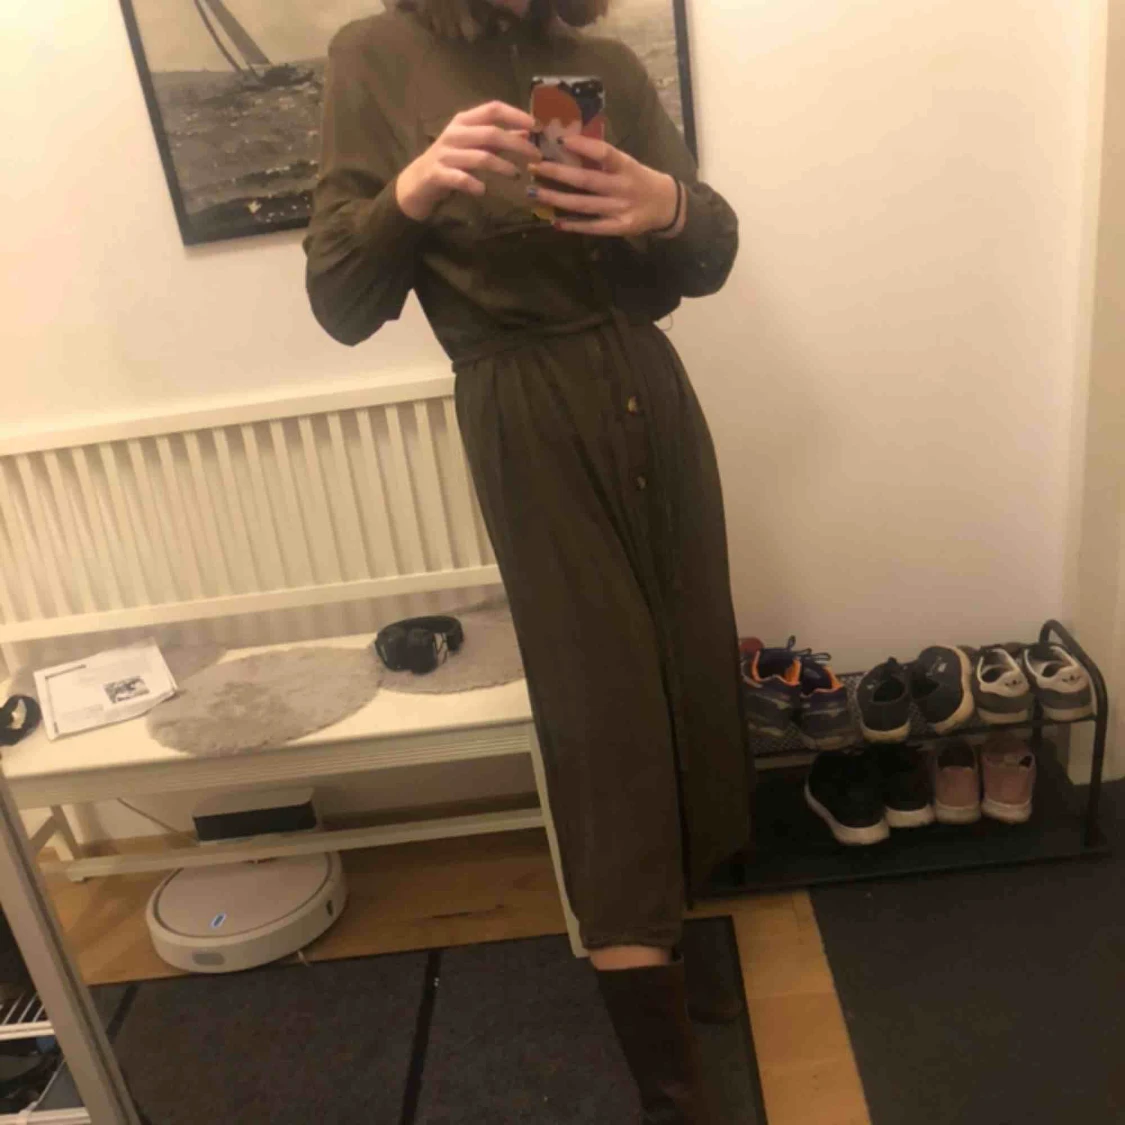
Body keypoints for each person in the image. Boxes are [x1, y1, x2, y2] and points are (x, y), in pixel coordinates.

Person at [304, 0, 751, 1119]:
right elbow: (340, 303)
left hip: (650, 391)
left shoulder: (602, 65)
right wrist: (413, 189)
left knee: (690, 687)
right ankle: (671, 1095)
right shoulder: (375, 58)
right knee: (605, 722)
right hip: (525, 409)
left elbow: (702, 261)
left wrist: (667, 205)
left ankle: (686, 953)